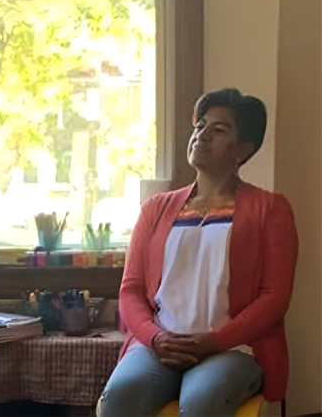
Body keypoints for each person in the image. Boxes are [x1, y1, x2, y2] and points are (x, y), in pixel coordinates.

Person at [99, 88, 298, 416]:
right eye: (200, 126)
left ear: (243, 150)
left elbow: (274, 297)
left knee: (203, 402)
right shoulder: (155, 210)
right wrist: (155, 338)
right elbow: (131, 290)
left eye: (218, 130)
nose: (202, 135)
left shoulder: (272, 210)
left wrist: (214, 341)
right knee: (118, 399)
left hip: (235, 347)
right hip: (159, 346)